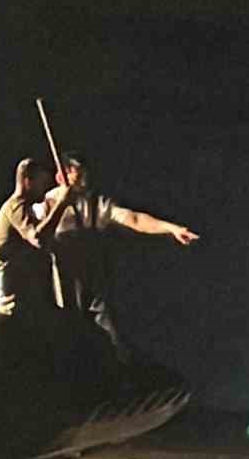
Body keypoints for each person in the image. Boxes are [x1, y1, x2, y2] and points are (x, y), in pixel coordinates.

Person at [42, 151, 198, 352]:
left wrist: (171, 228)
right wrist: (61, 205)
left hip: (92, 273)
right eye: (76, 174)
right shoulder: (48, 201)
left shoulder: (94, 202)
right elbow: (36, 234)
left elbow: (133, 219)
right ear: (61, 176)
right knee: (70, 328)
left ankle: (120, 366)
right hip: (64, 274)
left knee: (108, 328)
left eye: (83, 174)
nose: (83, 179)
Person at [0, 157, 78, 319]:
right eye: (41, 183)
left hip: (26, 294)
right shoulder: (15, 207)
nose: (44, 188)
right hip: (15, 302)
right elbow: (38, 239)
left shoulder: (26, 210)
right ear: (28, 181)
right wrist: (62, 203)